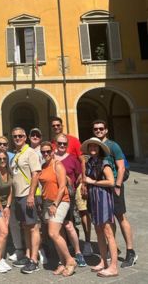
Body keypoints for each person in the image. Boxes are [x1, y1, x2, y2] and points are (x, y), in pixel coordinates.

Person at [92, 119, 137, 268]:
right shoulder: (96, 146)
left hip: (114, 185)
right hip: (104, 187)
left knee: (120, 216)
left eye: (101, 129)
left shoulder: (113, 145)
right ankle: (114, 249)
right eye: (96, 129)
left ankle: (130, 252)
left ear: (106, 130)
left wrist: (117, 185)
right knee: (109, 220)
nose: (98, 131)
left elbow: (121, 167)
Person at [50, 116, 92, 255]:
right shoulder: (51, 144)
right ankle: (66, 245)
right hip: (59, 190)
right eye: (54, 126)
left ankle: (86, 243)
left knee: (82, 212)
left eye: (58, 125)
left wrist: (83, 179)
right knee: (67, 219)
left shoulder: (73, 140)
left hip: (75, 185)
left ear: (62, 126)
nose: (56, 127)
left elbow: (82, 160)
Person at [82, 137, 118, 278]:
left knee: (108, 232)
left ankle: (113, 266)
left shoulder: (105, 162)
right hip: (94, 199)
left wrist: (93, 181)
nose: (93, 149)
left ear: (100, 149)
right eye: (91, 147)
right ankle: (103, 261)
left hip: (103, 199)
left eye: (95, 147)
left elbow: (111, 182)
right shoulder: (90, 162)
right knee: (98, 231)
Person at [39, 142, 76, 277]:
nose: (46, 154)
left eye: (48, 151)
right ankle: (62, 262)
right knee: (58, 234)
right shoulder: (43, 166)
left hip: (60, 202)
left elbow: (62, 187)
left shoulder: (57, 165)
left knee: (53, 233)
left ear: (52, 151)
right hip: (47, 202)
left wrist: (55, 204)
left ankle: (70, 261)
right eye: (43, 152)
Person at [10, 127, 41, 274]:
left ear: (25, 137)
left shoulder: (30, 153)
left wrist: (30, 195)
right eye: (15, 136)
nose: (17, 138)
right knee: (26, 226)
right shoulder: (17, 154)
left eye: (20, 136)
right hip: (18, 196)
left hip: (27, 195)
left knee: (33, 227)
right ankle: (28, 255)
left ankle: (34, 260)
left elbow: (35, 174)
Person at [54, 134, 86, 267]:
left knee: (68, 224)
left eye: (64, 144)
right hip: (53, 196)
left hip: (67, 197)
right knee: (58, 225)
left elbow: (79, 175)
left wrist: (72, 186)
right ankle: (64, 251)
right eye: (59, 143)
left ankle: (78, 252)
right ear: (55, 144)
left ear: (67, 145)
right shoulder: (51, 158)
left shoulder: (72, 159)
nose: (62, 146)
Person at [0, 150, 13, 273]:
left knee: (5, 232)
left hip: (6, 206)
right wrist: (1, 209)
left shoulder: (9, 172)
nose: (2, 161)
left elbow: (10, 191)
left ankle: (1, 258)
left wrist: (8, 207)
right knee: (3, 231)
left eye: (4, 158)